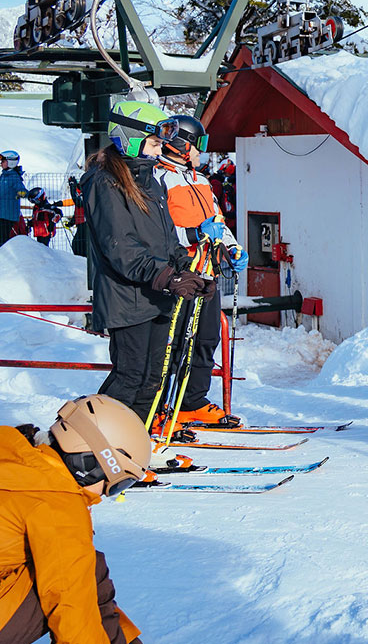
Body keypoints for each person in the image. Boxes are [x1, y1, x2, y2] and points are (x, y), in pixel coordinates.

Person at [83, 100, 212, 422]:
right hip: (127, 297)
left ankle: (136, 440)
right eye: (154, 144)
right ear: (130, 139)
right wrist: (167, 277)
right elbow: (120, 247)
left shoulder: (148, 178)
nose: (159, 151)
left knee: (152, 378)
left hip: (155, 294)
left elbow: (167, 239)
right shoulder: (105, 182)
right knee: (130, 376)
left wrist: (188, 272)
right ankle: (97, 438)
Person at [0, 394, 148, 644]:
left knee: (85, 566)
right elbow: (71, 607)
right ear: (93, 463)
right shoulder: (57, 501)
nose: (105, 495)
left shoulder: (13, 454)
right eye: (117, 485)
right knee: (76, 578)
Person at [153, 114, 247, 427]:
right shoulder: (159, 179)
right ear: (181, 145)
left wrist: (232, 248)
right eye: (198, 144)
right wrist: (194, 234)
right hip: (179, 273)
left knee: (206, 339)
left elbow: (217, 221)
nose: (201, 151)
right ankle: (158, 407)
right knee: (174, 342)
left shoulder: (202, 181)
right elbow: (160, 232)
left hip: (208, 271)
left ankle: (192, 401)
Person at [0, 149, 26, 246]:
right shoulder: (3, 176)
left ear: (11, 162)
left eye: (3, 161)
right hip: (2, 214)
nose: (1, 163)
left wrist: (22, 193)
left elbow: (22, 191)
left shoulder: (14, 177)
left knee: (3, 241)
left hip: (8, 216)